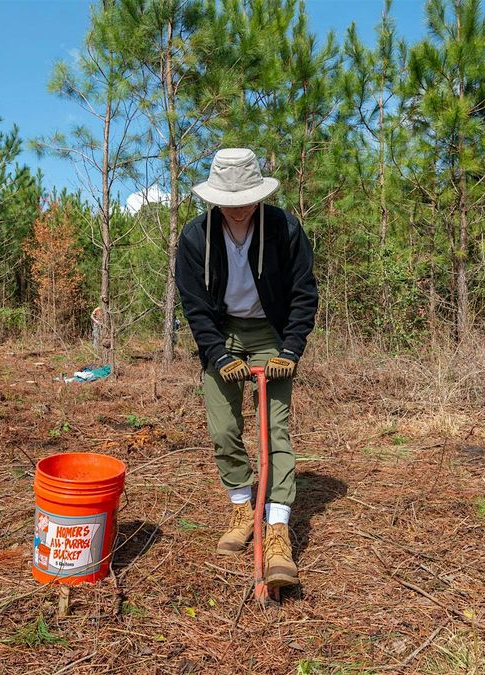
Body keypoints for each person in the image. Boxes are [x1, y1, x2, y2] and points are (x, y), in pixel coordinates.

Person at [174, 148, 318, 588]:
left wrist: (290, 350)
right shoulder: (197, 238)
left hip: (270, 334)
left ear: (259, 195)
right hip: (224, 333)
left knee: (274, 430)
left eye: (246, 199)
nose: (239, 208)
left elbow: (303, 294)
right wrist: (218, 354)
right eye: (229, 200)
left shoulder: (284, 230)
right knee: (222, 427)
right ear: (215, 199)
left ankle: (276, 529)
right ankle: (242, 504)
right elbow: (195, 305)